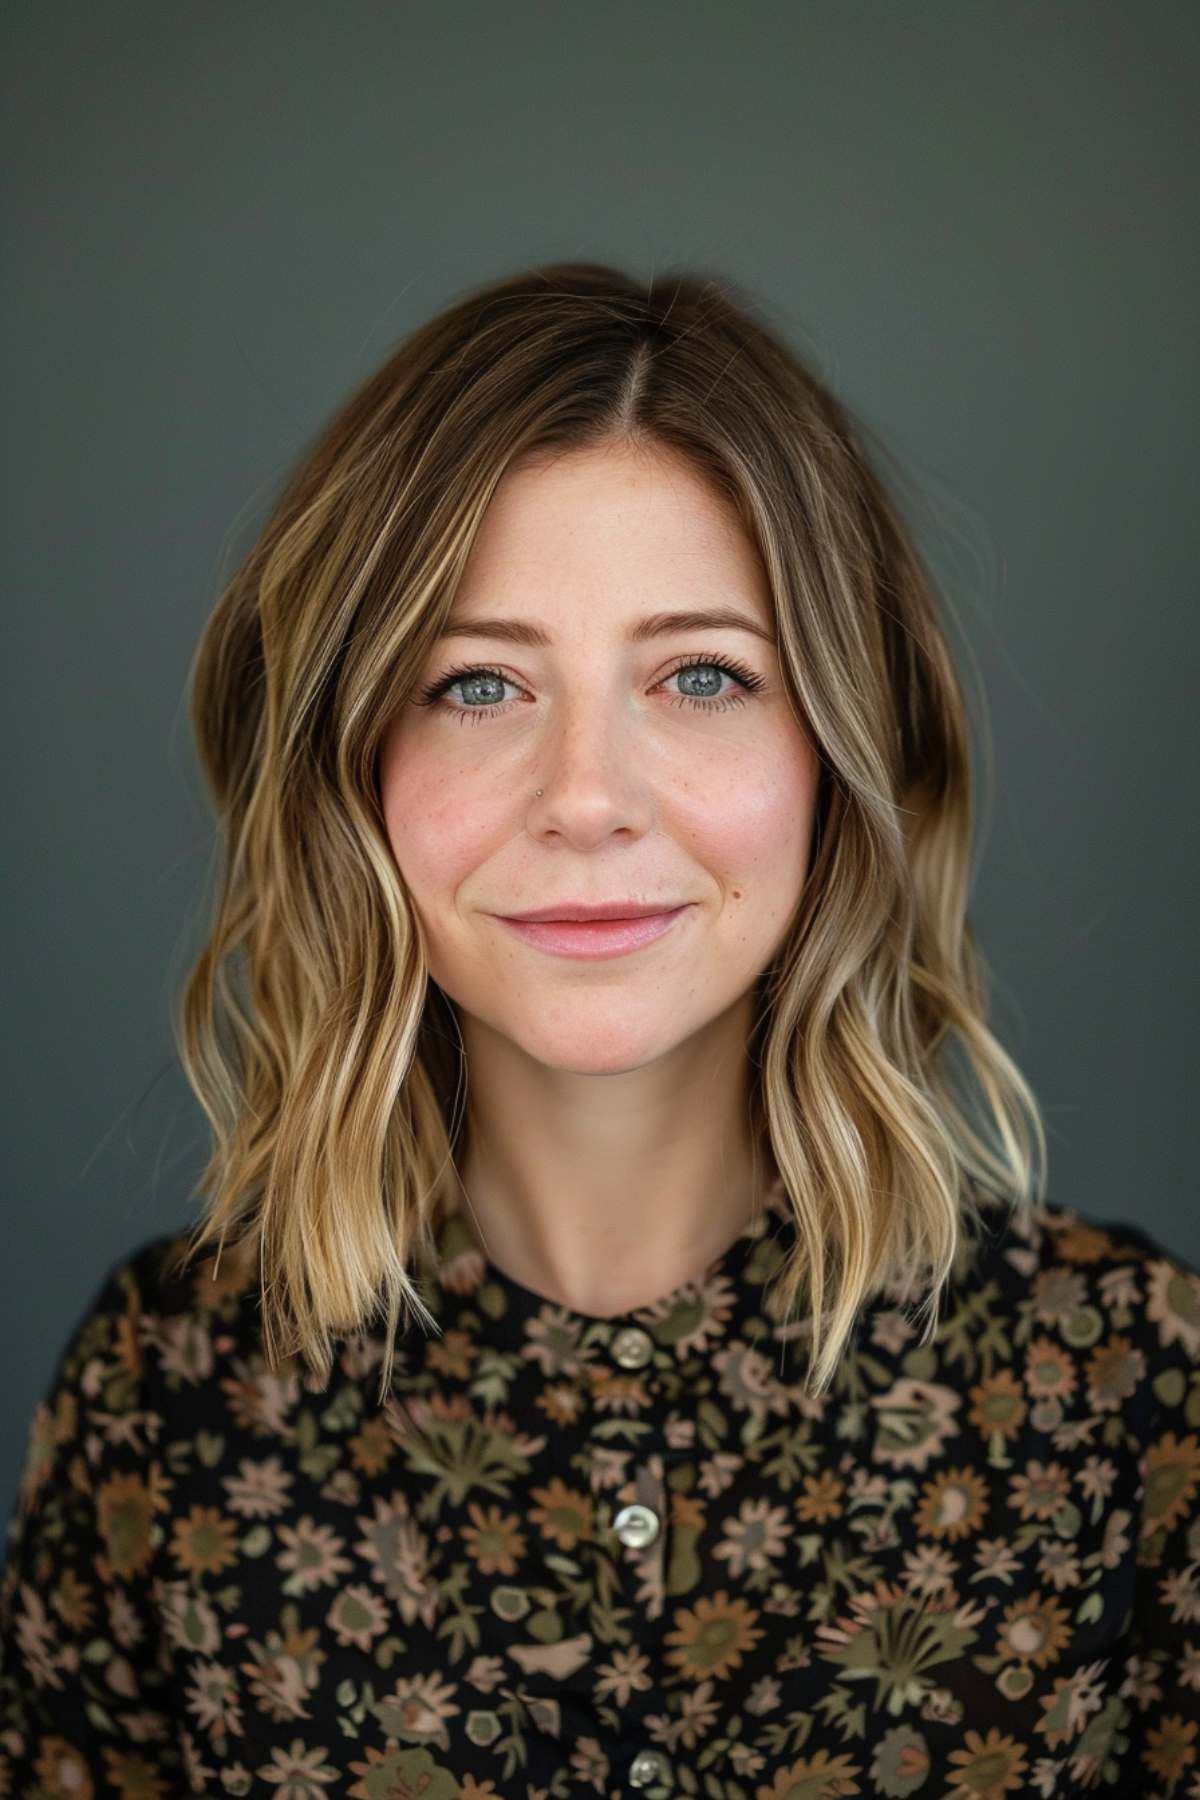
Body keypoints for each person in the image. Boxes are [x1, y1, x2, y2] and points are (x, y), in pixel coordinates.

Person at [2, 261, 1197, 1797]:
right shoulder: (166, 1400)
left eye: (702, 675)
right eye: (478, 683)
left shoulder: (1123, 1389)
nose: (584, 798)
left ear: (840, 750)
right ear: (353, 767)